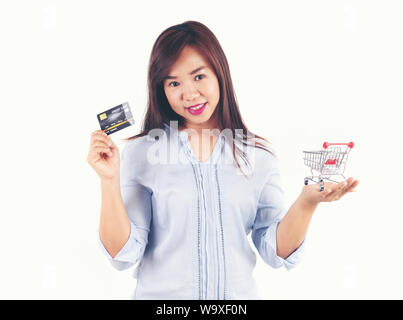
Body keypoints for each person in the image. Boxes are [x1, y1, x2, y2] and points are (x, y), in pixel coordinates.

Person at [87, 21, 359, 300]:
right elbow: (123, 253)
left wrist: (307, 202)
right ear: (162, 89)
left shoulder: (258, 156)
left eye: (198, 76)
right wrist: (109, 181)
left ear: (219, 74)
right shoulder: (143, 152)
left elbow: (275, 251)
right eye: (173, 82)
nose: (189, 94)